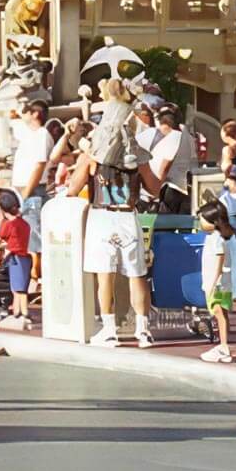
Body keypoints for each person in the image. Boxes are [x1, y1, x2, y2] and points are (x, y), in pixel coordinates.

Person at [65, 87, 154, 348]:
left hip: (102, 216)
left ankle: (109, 330)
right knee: (137, 274)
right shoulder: (137, 155)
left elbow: (73, 187)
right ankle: (143, 331)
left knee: (106, 275)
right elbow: (155, 188)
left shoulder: (93, 153)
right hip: (129, 215)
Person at [10, 101, 54, 283]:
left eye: (27, 112)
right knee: (27, 235)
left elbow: (39, 164)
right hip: (24, 189)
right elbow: (18, 125)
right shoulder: (31, 134)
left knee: (34, 236)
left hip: (33, 190)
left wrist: (26, 192)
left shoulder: (42, 134)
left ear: (35, 114)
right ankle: (33, 276)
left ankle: (38, 277)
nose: (24, 115)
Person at [197, 201, 236, 363]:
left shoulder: (216, 239)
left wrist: (213, 283)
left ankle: (224, 346)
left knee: (219, 313)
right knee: (221, 314)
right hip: (219, 282)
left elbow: (219, 261)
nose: (200, 222)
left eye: (202, 219)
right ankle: (223, 346)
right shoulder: (215, 238)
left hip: (217, 284)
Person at [143, 104, 195, 214]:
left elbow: (164, 167)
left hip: (171, 187)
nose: (160, 131)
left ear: (166, 124)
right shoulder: (186, 136)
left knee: (167, 221)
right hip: (180, 186)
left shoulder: (174, 137)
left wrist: (155, 191)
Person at [0, 190, 33, 330]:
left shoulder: (9, 225)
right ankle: (22, 312)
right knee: (22, 286)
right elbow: (16, 241)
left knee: (16, 288)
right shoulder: (24, 224)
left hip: (14, 258)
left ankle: (18, 312)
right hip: (25, 258)